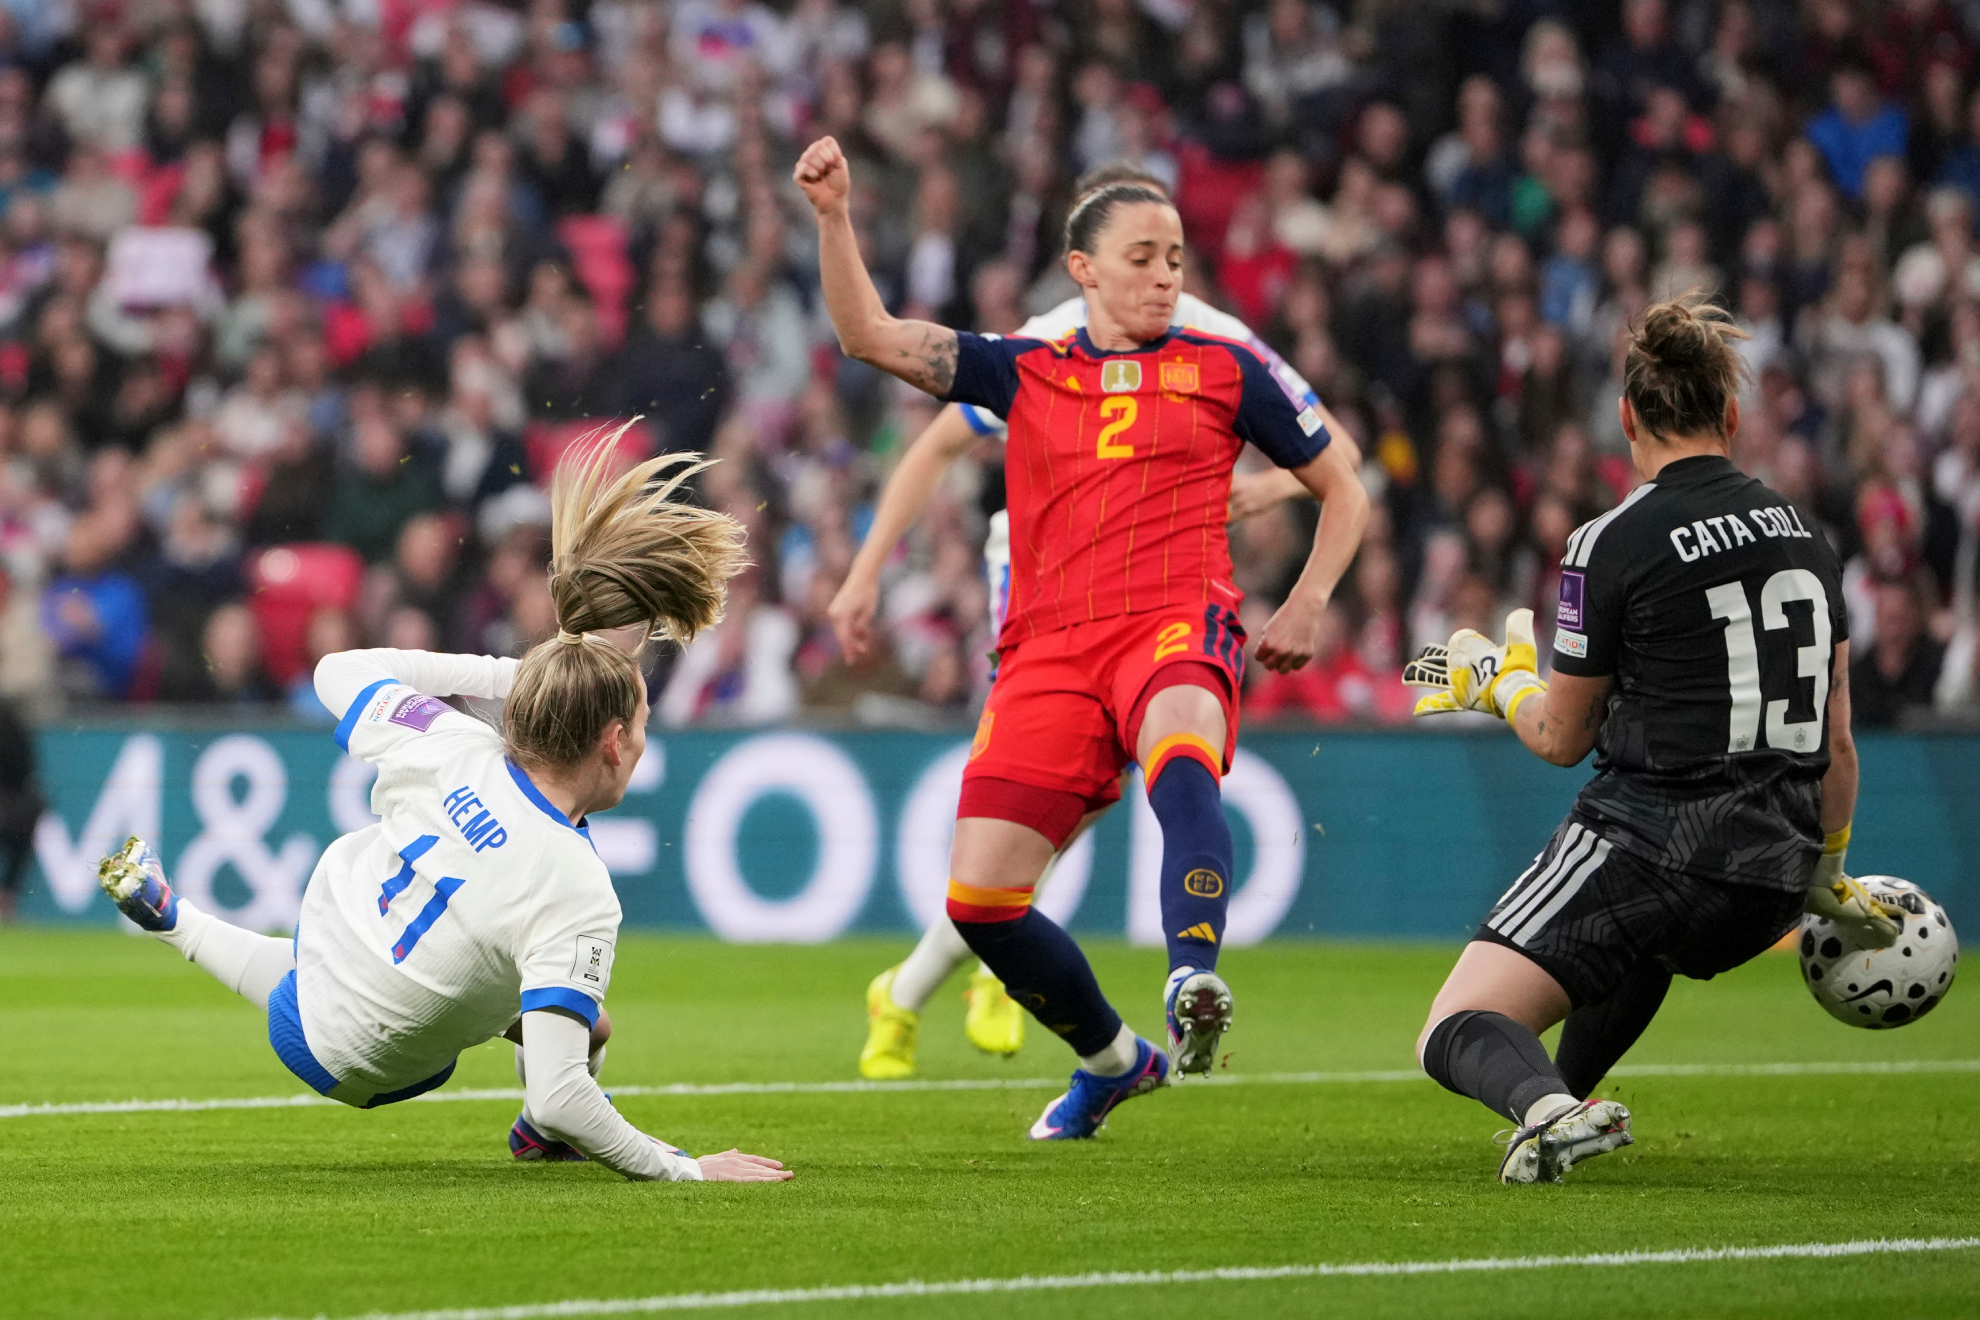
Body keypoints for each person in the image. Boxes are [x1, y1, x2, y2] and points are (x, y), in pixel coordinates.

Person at [796, 136, 1369, 1138]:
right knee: (980, 903)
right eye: (1142, 257)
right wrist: (836, 217)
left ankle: (1191, 977)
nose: (1165, 276)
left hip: (1175, 618)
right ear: (1083, 270)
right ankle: (1113, 1060)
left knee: (1182, 751)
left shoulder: (1228, 367)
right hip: (1048, 648)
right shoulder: (1026, 368)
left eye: (1175, 258)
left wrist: (1311, 598)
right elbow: (868, 335)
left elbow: (1343, 483)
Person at [96, 436, 792, 1184]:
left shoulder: (451, 743)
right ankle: (534, 1133)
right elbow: (562, 1094)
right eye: (644, 729)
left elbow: (340, 670)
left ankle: (174, 918)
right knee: (574, 1027)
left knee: (400, 969)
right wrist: (687, 1169)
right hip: (380, 1065)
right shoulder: (579, 888)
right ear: (614, 743)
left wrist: (509, 676)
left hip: (330, 959)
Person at [1407, 293, 1899, 1184]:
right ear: (1732, 415)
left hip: (1650, 847)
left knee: (1453, 1026)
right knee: (1644, 945)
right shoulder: (1809, 540)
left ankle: (1548, 1110)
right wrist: (1826, 870)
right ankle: (1560, 1105)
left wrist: (1498, 684)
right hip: (1770, 882)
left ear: (1627, 418)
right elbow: (1838, 738)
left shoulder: (1611, 540)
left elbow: (1562, 737)